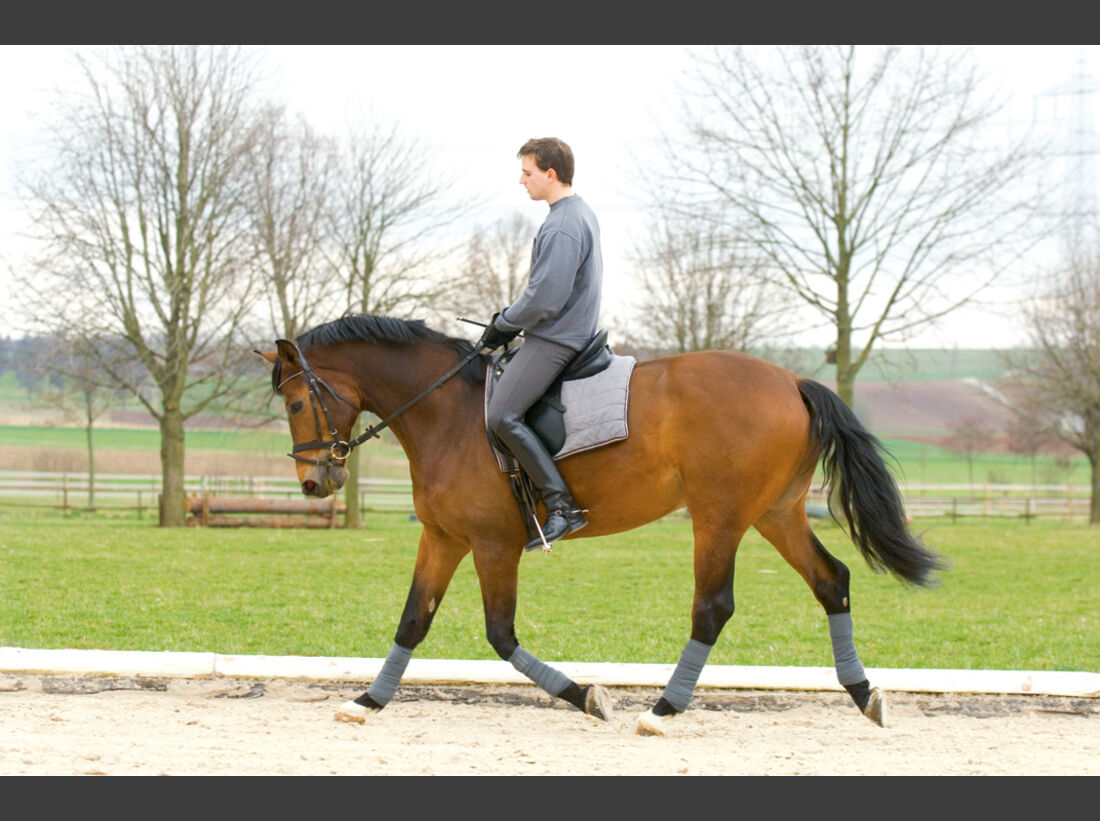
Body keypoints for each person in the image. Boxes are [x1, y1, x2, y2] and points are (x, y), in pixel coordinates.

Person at [480, 137, 603, 551]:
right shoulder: (576, 213)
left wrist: (505, 322)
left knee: (500, 414)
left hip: (556, 337)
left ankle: (561, 505)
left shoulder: (563, 224)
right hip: (566, 331)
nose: (521, 180)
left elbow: (546, 298)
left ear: (551, 174)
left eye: (527, 172)